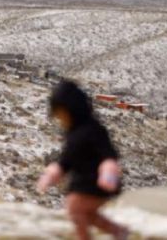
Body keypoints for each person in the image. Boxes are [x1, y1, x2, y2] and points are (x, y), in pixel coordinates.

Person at [37, 80, 129, 240]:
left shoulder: (93, 129)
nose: (60, 118)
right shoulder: (73, 134)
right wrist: (52, 175)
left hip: (97, 182)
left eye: (61, 113)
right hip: (82, 182)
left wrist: (108, 171)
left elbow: (108, 154)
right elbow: (66, 161)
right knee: (88, 215)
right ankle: (118, 231)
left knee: (74, 208)